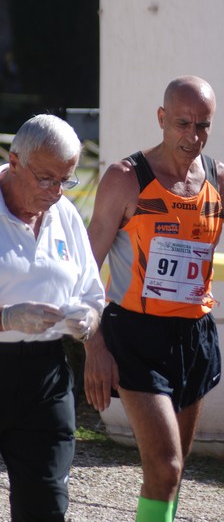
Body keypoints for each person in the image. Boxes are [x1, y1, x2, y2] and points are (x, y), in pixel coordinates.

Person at [83, 75, 224, 522]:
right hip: (134, 334)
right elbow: (86, 267)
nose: (193, 136)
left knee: (173, 471)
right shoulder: (125, 178)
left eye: (203, 125)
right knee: (165, 465)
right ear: (162, 119)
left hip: (194, 335)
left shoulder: (222, 181)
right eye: (183, 123)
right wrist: (93, 345)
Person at [0, 114, 105, 521]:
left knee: (46, 505)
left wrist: (88, 322)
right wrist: (7, 318)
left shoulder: (64, 214)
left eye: (65, 180)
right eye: (46, 179)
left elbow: (93, 295)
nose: (56, 192)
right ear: (14, 161)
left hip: (45, 374)